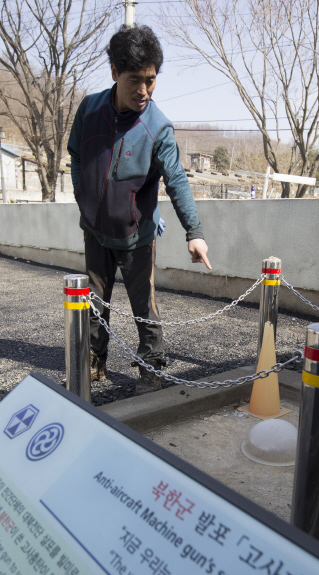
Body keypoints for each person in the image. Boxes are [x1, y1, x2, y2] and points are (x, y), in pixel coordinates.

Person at [67, 24, 211, 395]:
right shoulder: (90, 108)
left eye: (151, 79)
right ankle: (94, 362)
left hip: (136, 236)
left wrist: (194, 233)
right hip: (95, 232)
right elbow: (77, 155)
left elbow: (177, 180)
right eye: (135, 79)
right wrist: (82, 195)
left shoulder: (158, 127)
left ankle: (152, 367)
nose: (144, 89)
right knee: (94, 305)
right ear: (114, 72)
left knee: (144, 307)